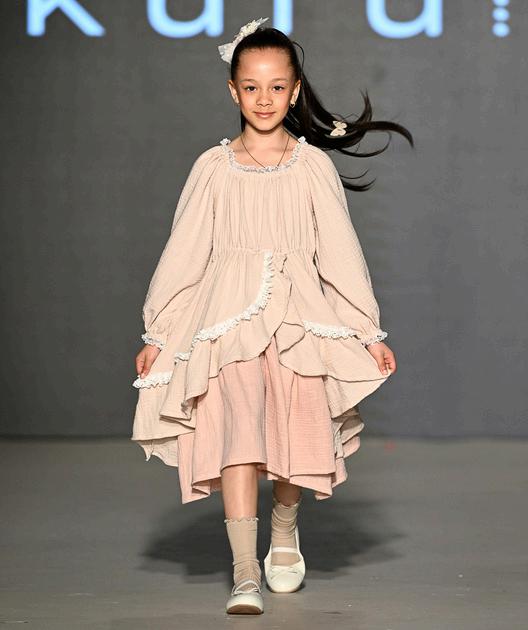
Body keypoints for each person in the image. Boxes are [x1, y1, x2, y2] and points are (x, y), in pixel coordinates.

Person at [131, 17, 413, 615]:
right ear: (232, 90)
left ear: (295, 90)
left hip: (298, 319)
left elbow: (339, 252)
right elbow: (185, 250)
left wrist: (367, 330)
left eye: (277, 87)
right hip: (226, 321)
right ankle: (242, 571)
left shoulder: (311, 167)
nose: (265, 99)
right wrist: (158, 330)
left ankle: (284, 528)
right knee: (238, 435)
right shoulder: (213, 168)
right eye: (252, 86)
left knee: (294, 429)